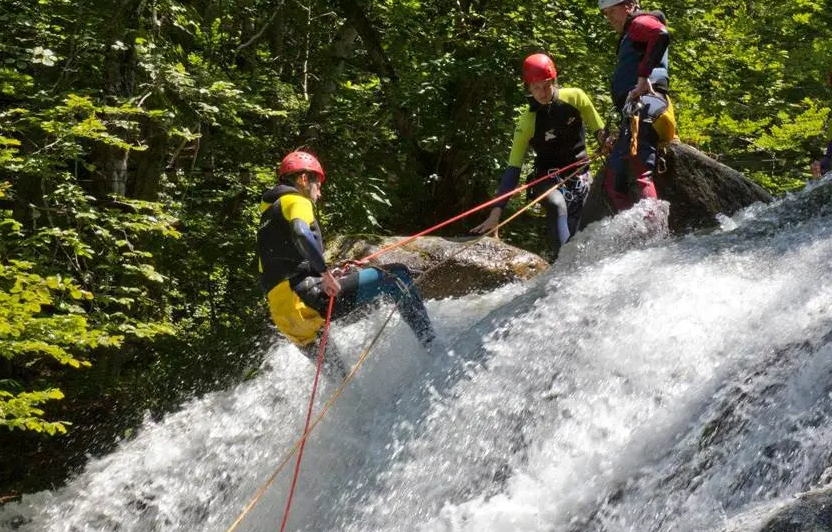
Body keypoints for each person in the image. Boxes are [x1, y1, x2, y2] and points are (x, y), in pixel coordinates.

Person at [257, 151, 436, 355]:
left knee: (340, 382)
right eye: (318, 185)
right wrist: (325, 274)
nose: (319, 194)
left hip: (284, 317)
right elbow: (301, 233)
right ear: (304, 179)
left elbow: (283, 267)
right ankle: (432, 346)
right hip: (307, 299)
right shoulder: (296, 200)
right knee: (397, 276)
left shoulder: (267, 216)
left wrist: (324, 273)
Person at [469, 53, 605, 257]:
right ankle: (564, 264)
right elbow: (513, 169)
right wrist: (496, 213)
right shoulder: (527, 122)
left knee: (582, 232)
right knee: (557, 205)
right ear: (529, 89)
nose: (541, 93)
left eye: (545, 85)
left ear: (554, 81)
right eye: (535, 88)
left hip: (580, 175)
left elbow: (599, 130)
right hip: (547, 178)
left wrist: (607, 142)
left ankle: (575, 266)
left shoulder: (576, 97)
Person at [595, 0, 678, 214]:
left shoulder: (640, 22)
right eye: (605, 13)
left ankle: (652, 232)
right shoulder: (632, 31)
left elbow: (660, 35)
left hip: (646, 106)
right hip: (638, 109)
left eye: (613, 11)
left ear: (629, 6)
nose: (609, 18)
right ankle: (635, 236)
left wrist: (642, 78)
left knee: (637, 172)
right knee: (614, 178)